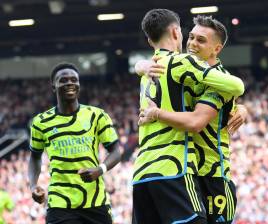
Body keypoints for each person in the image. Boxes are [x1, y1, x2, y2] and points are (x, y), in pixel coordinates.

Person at [132, 9, 245, 224]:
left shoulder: (219, 82)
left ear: (217, 48)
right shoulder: (182, 72)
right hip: (185, 170)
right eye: (191, 36)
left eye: (201, 40)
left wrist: (156, 113)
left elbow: (196, 122)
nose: (192, 43)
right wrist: (142, 66)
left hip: (211, 176)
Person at [28, 63, 122, 224]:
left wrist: (100, 169)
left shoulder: (97, 115)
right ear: (54, 86)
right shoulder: (41, 122)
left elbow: (116, 151)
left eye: (74, 80)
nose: (70, 83)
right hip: (60, 203)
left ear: (79, 84)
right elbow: (35, 157)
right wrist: (32, 186)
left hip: (95, 201)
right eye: (63, 80)